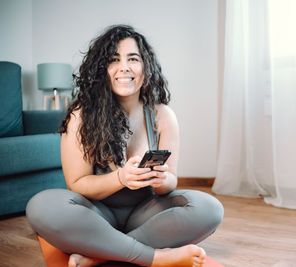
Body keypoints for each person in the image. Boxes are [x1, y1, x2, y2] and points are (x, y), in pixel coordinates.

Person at [26, 24, 224, 267]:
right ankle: (156, 257)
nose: (124, 67)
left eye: (133, 59)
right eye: (114, 59)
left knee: (210, 208)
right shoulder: (81, 115)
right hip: (95, 214)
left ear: (146, 67)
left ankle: (99, 254)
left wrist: (162, 181)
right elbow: (77, 185)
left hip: (146, 215)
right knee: (40, 206)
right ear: (102, 69)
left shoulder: (162, 115)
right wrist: (120, 178)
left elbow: (171, 180)